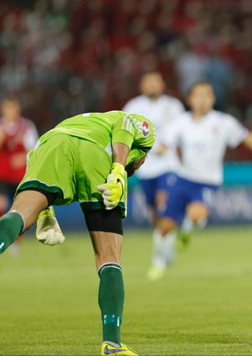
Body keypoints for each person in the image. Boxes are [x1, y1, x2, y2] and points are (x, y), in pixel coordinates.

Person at [0, 111, 155, 356]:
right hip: (95, 153)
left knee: (19, 214)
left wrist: (44, 214)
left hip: (49, 143)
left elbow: (34, 156)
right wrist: (117, 170)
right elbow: (125, 124)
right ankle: (112, 345)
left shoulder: (72, 123)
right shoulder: (144, 133)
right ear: (142, 156)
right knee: (109, 255)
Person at [148, 81, 252, 280]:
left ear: (213, 99)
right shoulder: (180, 123)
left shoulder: (224, 122)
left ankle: (187, 229)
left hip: (208, 181)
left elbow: (250, 140)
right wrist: (155, 151)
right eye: (199, 95)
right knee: (164, 227)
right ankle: (159, 261)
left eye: (207, 94)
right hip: (183, 178)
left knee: (197, 215)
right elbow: (164, 144)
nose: (203, 99)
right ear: (190, 99)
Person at [122, 72, 185, 279]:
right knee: (155, 213)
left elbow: (182, 132)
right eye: (148, 82)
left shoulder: (174, 106)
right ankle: (167, 243)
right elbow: (123, 133)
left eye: (155, 81)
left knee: (163, 204)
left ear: (162, 84)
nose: (152, 85)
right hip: (145, 168)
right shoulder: (133, 107)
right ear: (142, 85)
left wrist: (169, 147)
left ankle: (157, 261)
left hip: (168, 165)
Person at [0, 98, 38, 255]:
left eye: (12, 109)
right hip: (2, 172)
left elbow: (34, 148)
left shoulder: (27, 126)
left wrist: (22, 157)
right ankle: (2, 236)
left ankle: (16, 241)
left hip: (20, 174)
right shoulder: (1, 126)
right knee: (1, 204)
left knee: (20, 208)